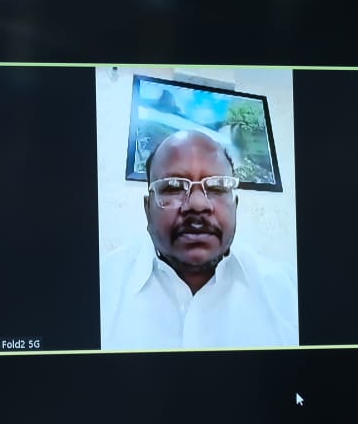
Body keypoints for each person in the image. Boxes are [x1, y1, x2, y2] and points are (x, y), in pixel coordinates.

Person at [99, 130, 298, 350]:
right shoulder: (101, 290)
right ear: (147, 209)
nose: (197, 204)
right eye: (173, 187)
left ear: (235, 206)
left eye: (217, 187)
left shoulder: (288, 294)